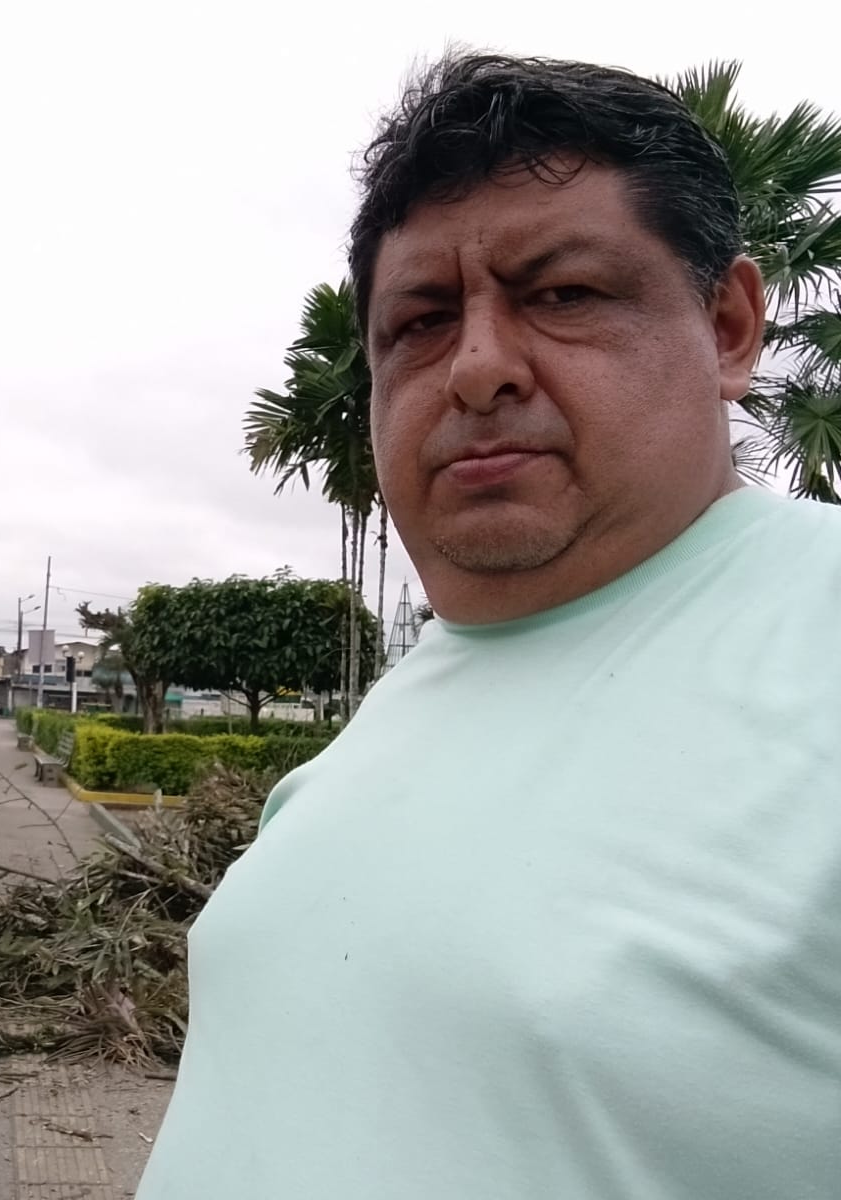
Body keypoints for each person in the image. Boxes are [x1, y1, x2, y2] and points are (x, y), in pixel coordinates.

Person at [137, 54, 841, 1200]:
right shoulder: (399, 707)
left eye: (563, 295)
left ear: (726, 327)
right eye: (419, 322)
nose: (474, 369)